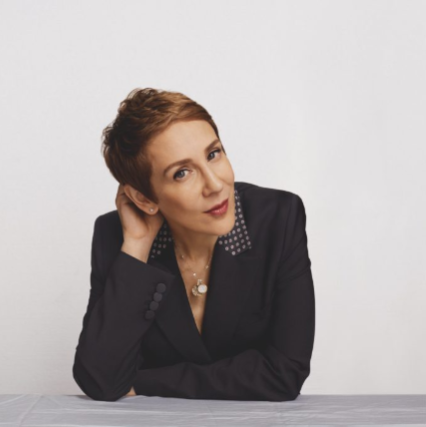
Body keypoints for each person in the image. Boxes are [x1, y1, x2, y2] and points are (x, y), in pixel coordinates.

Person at [72, 88, 315, 402]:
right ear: (144, 198)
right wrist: (137, 245)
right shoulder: (114, 236)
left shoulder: (278, 218)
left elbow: (285, 373)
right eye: (182, 173)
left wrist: (143, 383)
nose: (215, 184)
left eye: (213, 154)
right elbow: (100, 380)